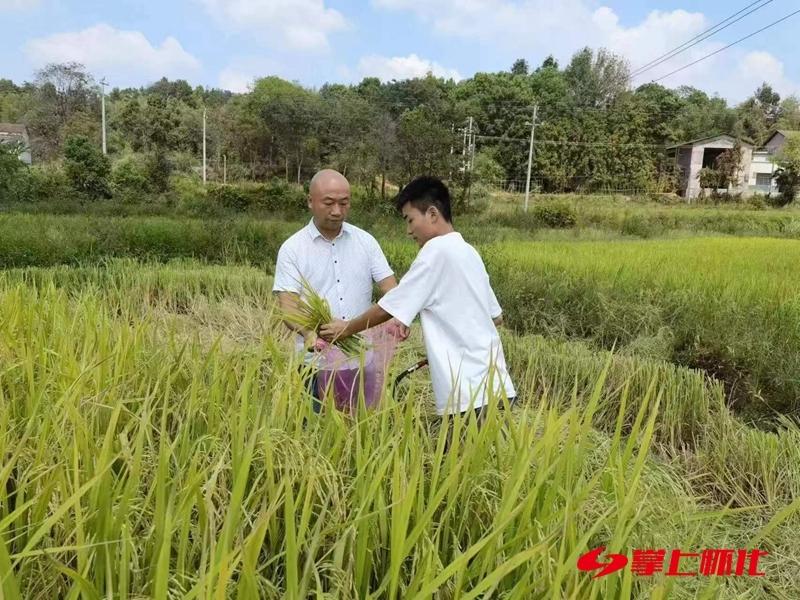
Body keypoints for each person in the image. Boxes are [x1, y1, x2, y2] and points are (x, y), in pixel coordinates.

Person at [320, 175, 516, 425]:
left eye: (410, 219)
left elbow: (388, 308)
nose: (408, 230)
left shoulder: (435, 251)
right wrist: (449, 346)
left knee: (455, 451)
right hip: (498, 387)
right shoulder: (469, 252)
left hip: (468, 395)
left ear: (432, 214)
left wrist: (346, 329)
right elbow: (496, 318)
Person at [273, 169, 408, 413]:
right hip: (315, 364)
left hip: (361, 360)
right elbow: (289, 307)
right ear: (310, 201)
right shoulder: (293, 249)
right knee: (315, 428)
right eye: (329, 203)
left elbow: (391, 289)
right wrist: (310, 334)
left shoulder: (366, 241)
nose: (337, 211)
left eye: (344, 203)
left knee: (360, 425)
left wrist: (399, 316)